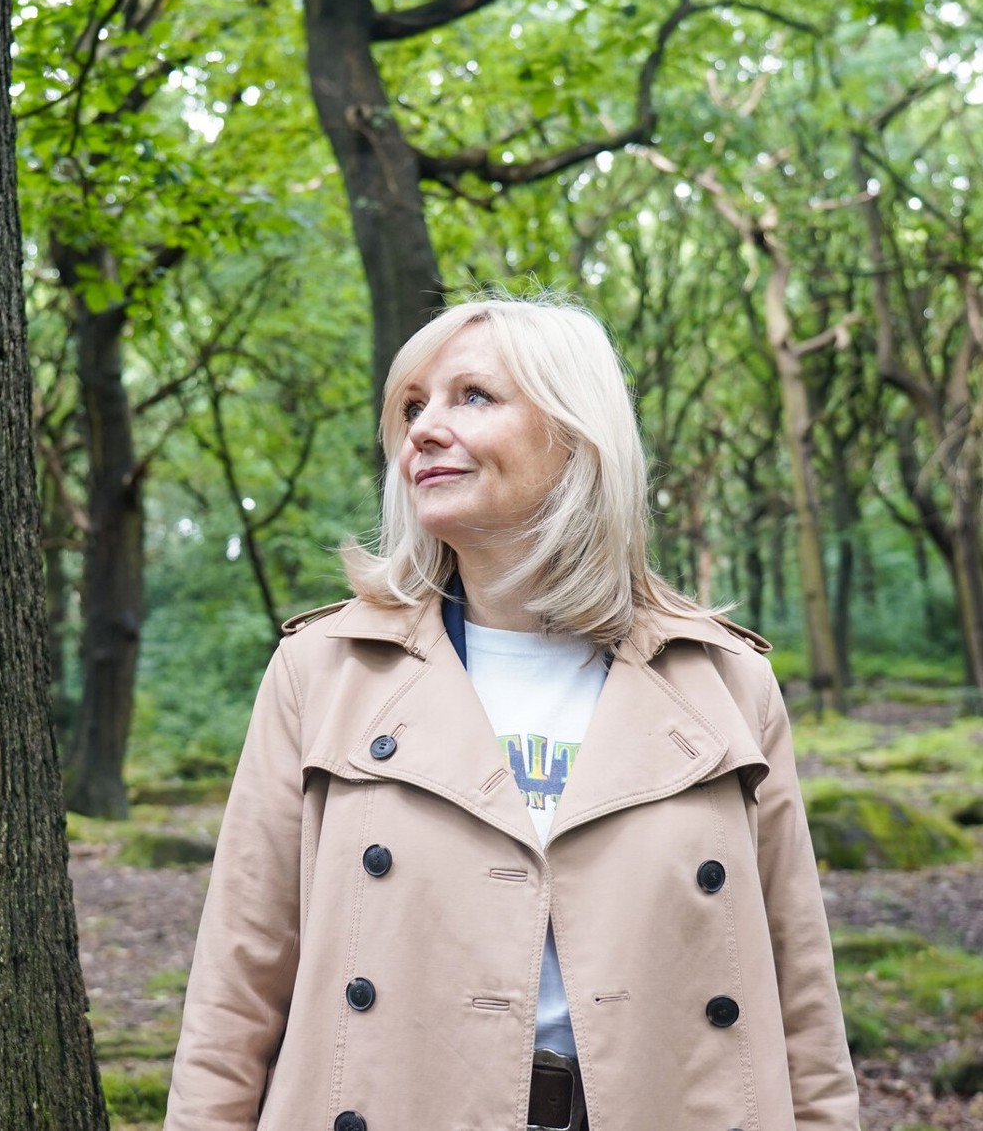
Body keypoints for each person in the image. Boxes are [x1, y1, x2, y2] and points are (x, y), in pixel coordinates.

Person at [164, 293, 860, 1131]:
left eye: (473, 397)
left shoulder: (726, 682)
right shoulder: (323, 671)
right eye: (413, 407)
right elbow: (236, 987)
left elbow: (800, 997)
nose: (421, 429)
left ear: (575, 436)